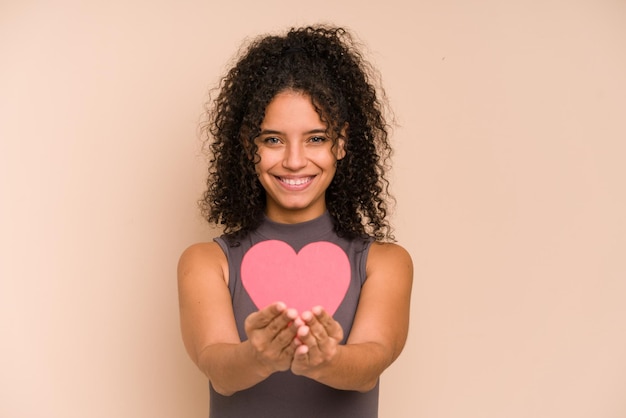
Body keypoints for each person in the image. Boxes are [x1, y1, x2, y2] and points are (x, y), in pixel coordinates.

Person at [178, 24, 413, 418]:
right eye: (272, 139)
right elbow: (219, 369)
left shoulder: (384, 263)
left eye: (316, 138)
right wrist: (259, 355)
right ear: (248, 145)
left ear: (341, 142)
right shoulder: (206, 262)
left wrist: (325, 361)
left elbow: (369, 366)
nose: (293, 160)